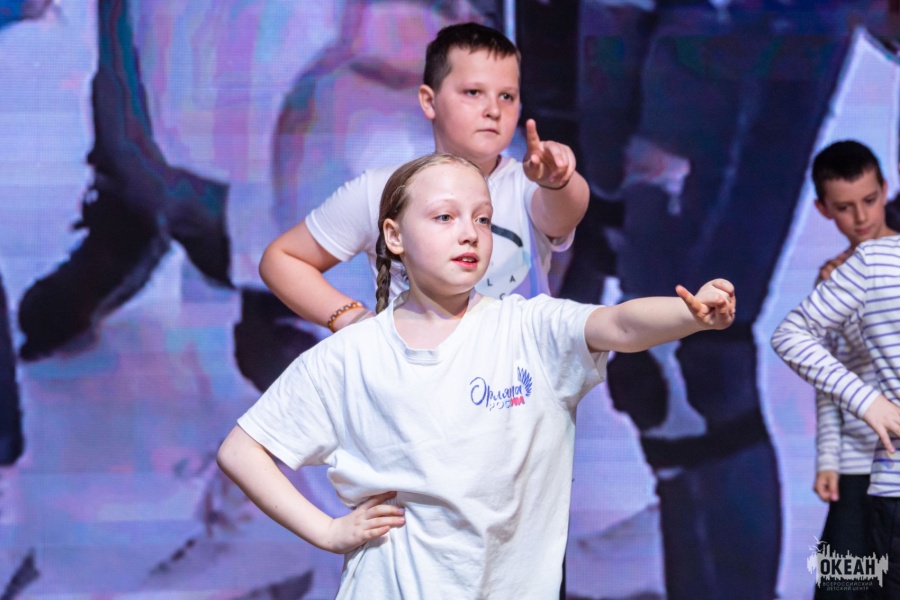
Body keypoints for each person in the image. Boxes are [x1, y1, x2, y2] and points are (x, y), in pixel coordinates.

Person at [218, 153, 737, 598]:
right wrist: (328, 531)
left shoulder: (527, 328)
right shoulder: (353, 354)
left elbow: (619, 324)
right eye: (444, 217)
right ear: (393, 236)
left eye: (483, 219)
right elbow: (242, 451)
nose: (469, 232)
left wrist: (689, 314)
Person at [258, 21, 590, 332]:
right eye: (473, 92)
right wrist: (355, 322)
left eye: (507, 96)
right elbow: (283, 259)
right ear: (429, 101)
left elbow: (564, 214)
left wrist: (559, 181)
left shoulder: (528, 185)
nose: (493, 109)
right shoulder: (384, 189)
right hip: (413, 373)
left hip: (516, 375)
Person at [771, 155, 900, 595]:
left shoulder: (882, 265)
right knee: (842, 587)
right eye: (845, 207)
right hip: (857, 459)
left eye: (870, 200)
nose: (861, 217)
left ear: (885, 191)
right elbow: (825, 374)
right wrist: (828, 457)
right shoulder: (835, 277)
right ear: (823, 209)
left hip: (889, 457)